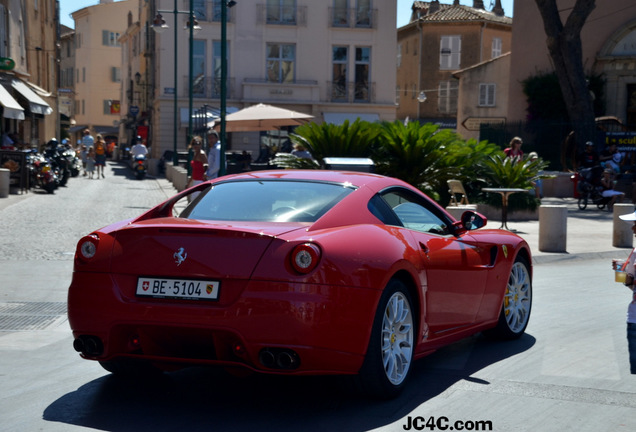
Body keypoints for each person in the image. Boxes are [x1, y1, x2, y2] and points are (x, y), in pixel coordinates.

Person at [613, 211, 636, 374]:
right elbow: (632, 287)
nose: (633, 229)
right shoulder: (635, 252)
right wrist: (623, 275)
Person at [188, 136, 208, 202]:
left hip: (200, 181)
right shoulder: (195, 153)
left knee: (194, 201)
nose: (195, 145)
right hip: (195, 180)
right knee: (194, 201)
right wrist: (189, 182)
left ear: (201, 144)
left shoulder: (201, 154)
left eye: (197, 143)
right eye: (193, 143)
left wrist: (205, 175)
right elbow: (194, 170)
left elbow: (206, 166)